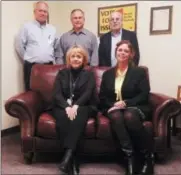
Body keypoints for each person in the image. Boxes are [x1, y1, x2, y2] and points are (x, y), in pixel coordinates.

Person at [99, 40, 154, 175]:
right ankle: (130, 157)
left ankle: (147, 158)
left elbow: (144, 94)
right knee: (116, 116)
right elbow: (103, 96)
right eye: (120, 50)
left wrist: (126, 103)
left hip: (134, 106)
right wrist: (113, 106)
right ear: (116, 52)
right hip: (113, 108)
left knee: (129, 116)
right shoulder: (108, 74)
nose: (122, 53)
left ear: (131, 55)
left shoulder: (139, 72)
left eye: (126, 51)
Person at [51, 45, 98, 175]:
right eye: (73, 56)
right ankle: (74, 160)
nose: (76, 59)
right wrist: (66, 107)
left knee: (79, 116)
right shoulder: (62, 73)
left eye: (79, 56)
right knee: (62, 118)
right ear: (68, 59)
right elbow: (57, 94)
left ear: (83, 59)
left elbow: (88, 93)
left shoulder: (89, 74)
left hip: (84, 105)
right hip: (63, 105)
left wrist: (76, 105)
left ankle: (66, 160)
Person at [15, 1, 57, 91]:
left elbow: (56, 47)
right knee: (31, 92)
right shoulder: (26, 27)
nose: (43, 13)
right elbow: (19, 46)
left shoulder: (52, 29)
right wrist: (28, 58)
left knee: (48, 91)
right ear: (34, 12)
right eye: (40, 10)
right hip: (31, 66)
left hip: (48, 66)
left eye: (45, 11)